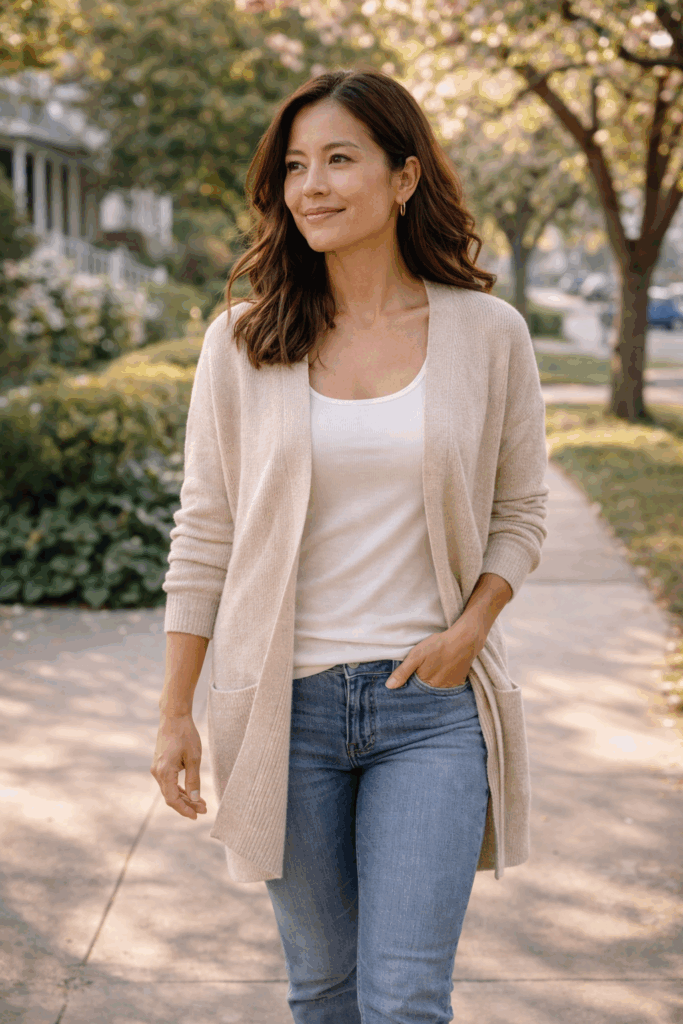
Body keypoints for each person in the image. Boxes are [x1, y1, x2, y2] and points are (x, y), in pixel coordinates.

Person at [151, 68, 549, 1024]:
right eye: (294, 166)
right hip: (285, 713)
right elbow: (205, 530)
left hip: (431, 709)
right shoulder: (243, 341)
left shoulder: (486, 334)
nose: (312, 186)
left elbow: (520, 514)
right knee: (323, 991)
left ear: (405, 176)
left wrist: (470, 629)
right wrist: (175, 711)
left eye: (339, 159)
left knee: (405, 996)